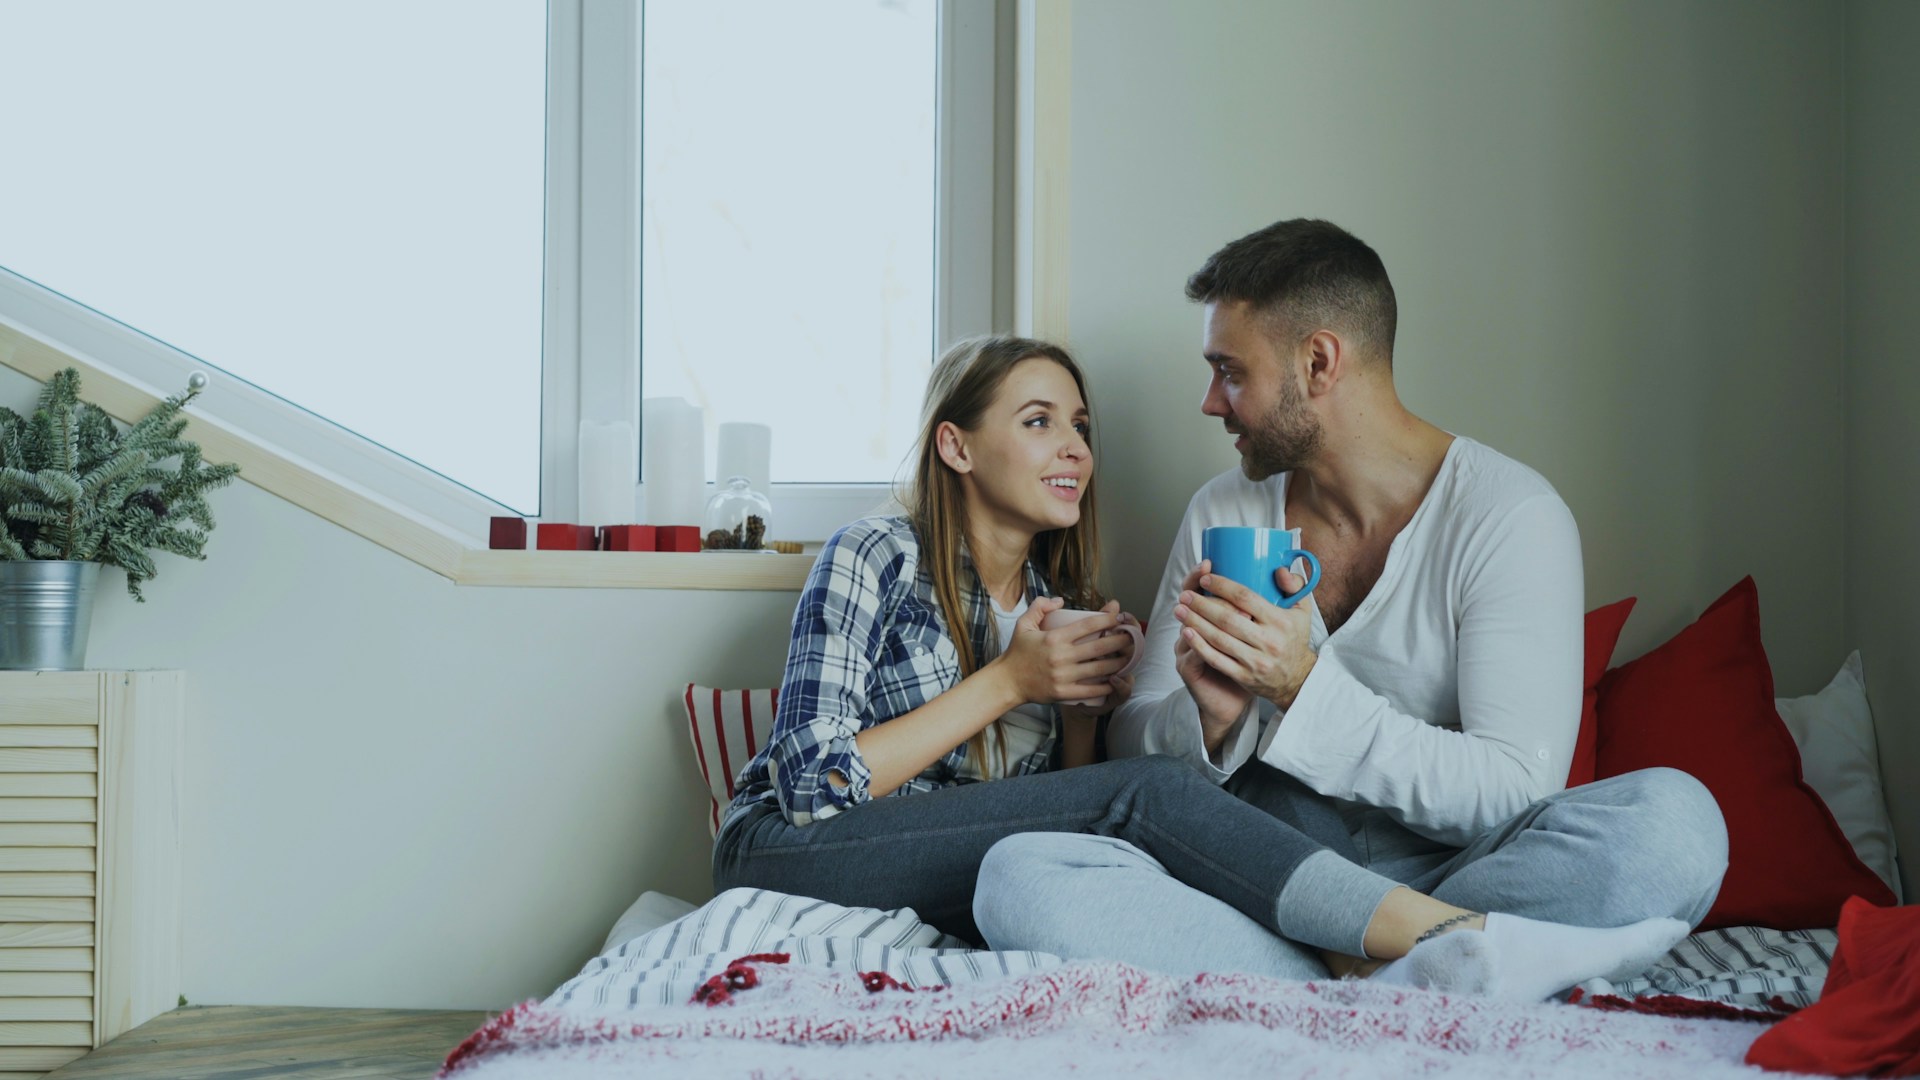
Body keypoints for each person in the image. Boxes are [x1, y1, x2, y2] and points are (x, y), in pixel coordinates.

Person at [713, 333, 1692, 1002]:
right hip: (790, 850)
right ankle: (1444, 941)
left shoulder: (1069, 602)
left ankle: (1348, 972)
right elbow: (809, 786)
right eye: (1040, 421)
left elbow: (1059, 811)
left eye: (1082, 426)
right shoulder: (873, 554)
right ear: (955, 445)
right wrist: (1009, 685)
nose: (1075, 449)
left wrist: (1089, 706)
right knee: (1152, 793)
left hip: (953, 865)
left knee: (1054, 860)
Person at [973, 220, 1729, 990]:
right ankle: (1431, 965)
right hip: (1261, 874)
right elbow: (1136, 757)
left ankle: (1342, 970)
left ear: (1319, 362)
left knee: (1678, 825)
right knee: (1018, 872)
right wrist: (1208, 719)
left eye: (1230, 371)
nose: (1210, 402)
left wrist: (1299, 688)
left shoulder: (1510, 516)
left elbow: (1512, 790)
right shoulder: (1226, 512)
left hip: (1454, 874)